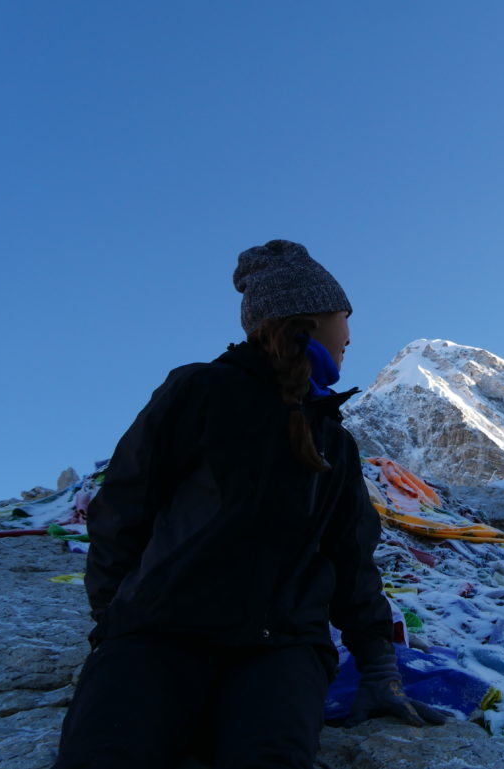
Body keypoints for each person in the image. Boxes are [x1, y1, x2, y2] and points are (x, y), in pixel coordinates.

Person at [53, 240, 444, 769]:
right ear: (311, 319)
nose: (351, 334)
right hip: (160, 634)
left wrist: (378, 667)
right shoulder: (202, 390)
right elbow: (123, 511)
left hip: (280, 650)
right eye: (344, 316)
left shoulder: (333, 440)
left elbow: (351, 560)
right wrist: (116, 626)